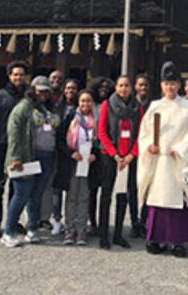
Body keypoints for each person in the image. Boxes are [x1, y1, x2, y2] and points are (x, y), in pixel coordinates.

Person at [137, 61, 188, 258]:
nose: (170, 87)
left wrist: (181, 149)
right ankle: (155, 239)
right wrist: (149, 145)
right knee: (158, 201)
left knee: (179, 204)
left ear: (179, 85)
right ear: (161, 85)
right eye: (167, 83)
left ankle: (179, 242)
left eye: (174, 83)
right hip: (159, 161)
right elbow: (144, 133)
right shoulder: (154, 106)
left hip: (178, 160)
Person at [1, 76, 61, 248]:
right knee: (21, 194)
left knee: (37, 194)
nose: (43, 93)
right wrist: (15, 157)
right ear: (33, 90)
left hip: (47, 155)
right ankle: (9, 231)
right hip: (28, 156)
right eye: (40, 90)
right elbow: (14, 134)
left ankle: (32, 228)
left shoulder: (48, 108)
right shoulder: (22, 108)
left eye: (46, 90)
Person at [97, 75, 142, 249]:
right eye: (120, 85)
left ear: (131, 88)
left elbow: (140, 133)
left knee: (123, 195)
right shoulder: (107, 105)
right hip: (110, 157)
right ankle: (103, 234)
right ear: (116, 88)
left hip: (128, 158)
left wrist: (131, 155)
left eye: (127, 86)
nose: (123, 89)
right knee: (107, 195)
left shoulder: (137, 107)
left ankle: (117, 234)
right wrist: (114, 154)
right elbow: (102, 132)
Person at [0, 60, 29, 238]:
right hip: (2, 146)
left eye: (21, 74)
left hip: (20, 149)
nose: (18, 77)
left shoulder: (28, 96)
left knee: (17, 188)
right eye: (15, 74)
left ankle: (13, 220)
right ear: (10, 76)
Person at [61, 90, 98, 245]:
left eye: (88, 101)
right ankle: (69, 229)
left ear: (93, 103)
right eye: (82, 101)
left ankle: (81, 230)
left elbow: (100, 141)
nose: (85, 104)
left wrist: (95, 154)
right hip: (72, 163)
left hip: (88, 164)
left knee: (84, 197)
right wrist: (71, 153)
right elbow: (60, 140)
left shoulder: (96, 121)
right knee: (71, 197)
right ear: (78, 103)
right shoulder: (71, 119)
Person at [50, 78, 80, 235]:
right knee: (56, 189)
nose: (70, 91)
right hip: (59, 153)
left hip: (75, 155)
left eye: (73, 88)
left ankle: (73, 219)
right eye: (68, 88)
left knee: (74, 188)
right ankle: (56, 219)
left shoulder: (80, 109)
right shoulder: (57, 108)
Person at [84, 76, 112, 236]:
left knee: (106, 190)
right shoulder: (90, 105)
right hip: (91, 151)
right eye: (101, 87)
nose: (103, 89)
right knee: (91, 190)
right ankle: (92, 221)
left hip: (106, 151)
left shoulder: (111, 106)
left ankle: (103, 223)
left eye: (107, 87)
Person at [132, 72, 151, 237]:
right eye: (140, 85)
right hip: (131, 151)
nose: (143, 87)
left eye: (145, 85)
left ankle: (144, 220)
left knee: (147, 187)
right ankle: (133, 222)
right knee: (132, 188)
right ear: (135, 87)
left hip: (148, 152)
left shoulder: (153, 106)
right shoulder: (130, 104)